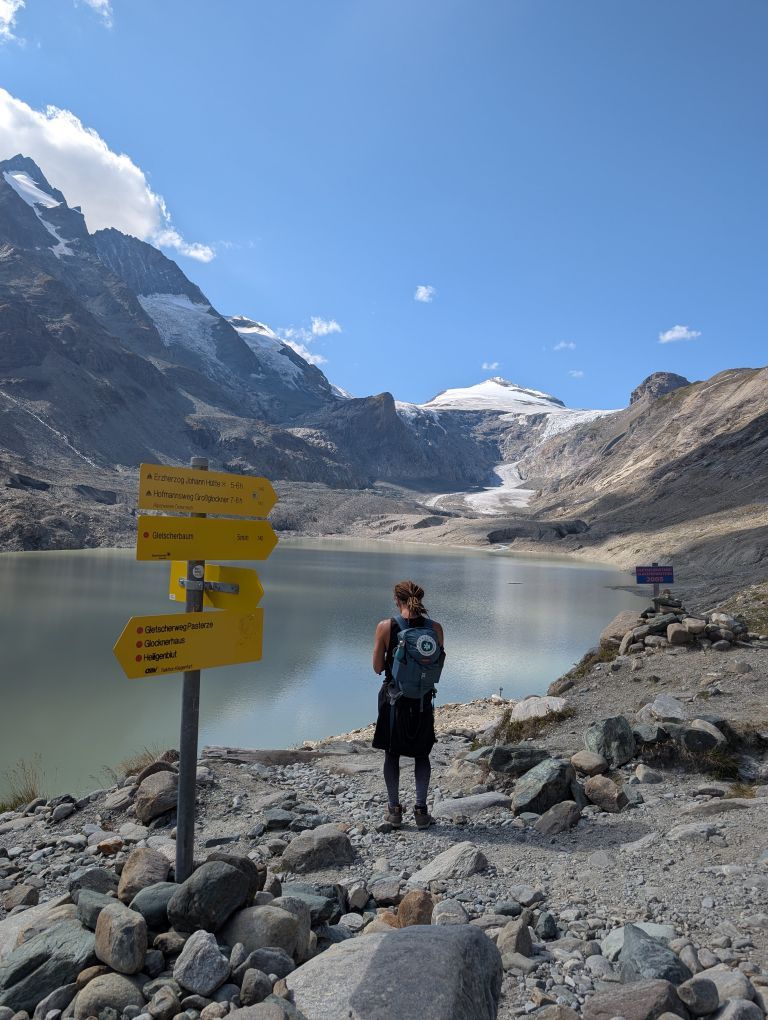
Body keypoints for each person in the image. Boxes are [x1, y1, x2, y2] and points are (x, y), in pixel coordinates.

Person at [371, 579, 444, 829]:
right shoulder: (435, 629)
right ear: (419, 599)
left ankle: (394, 811)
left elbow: (378, 668)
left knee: (392, 754)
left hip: (394, 701)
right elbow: (437, 665)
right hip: (423, 701)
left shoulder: (386, 626)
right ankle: (422, 812)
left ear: (397, 599)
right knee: (422, 754)